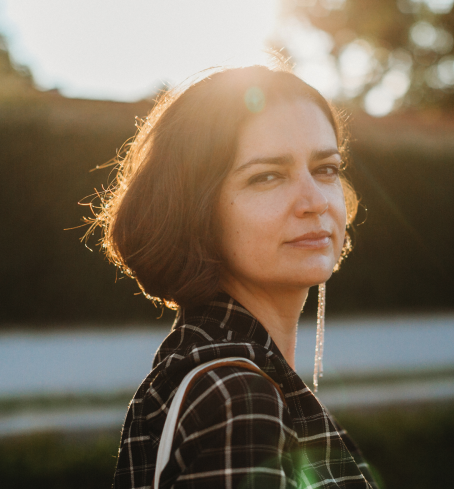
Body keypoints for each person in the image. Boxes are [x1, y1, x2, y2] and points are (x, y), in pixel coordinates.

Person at [89, 64, 377, 488]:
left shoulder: (214, 368)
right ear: (197, 209)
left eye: (326, 168)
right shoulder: (236, 395)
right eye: (267, 176)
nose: (315, 200)